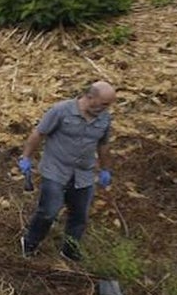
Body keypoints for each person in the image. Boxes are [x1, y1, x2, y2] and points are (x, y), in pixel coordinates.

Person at [18, 81, 116, 261]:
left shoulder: (104, 119)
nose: (106, 108)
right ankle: (30, 243)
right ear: (90, 97)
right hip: (56, 168)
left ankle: (70, 251)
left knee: (79, 216)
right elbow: (39, 133)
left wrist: (105, 169)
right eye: (104, 104)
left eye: (108, 105)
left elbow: (103, 145)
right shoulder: (61, 111)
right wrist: (26, 157)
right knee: (49, 211)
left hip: (83, 174)